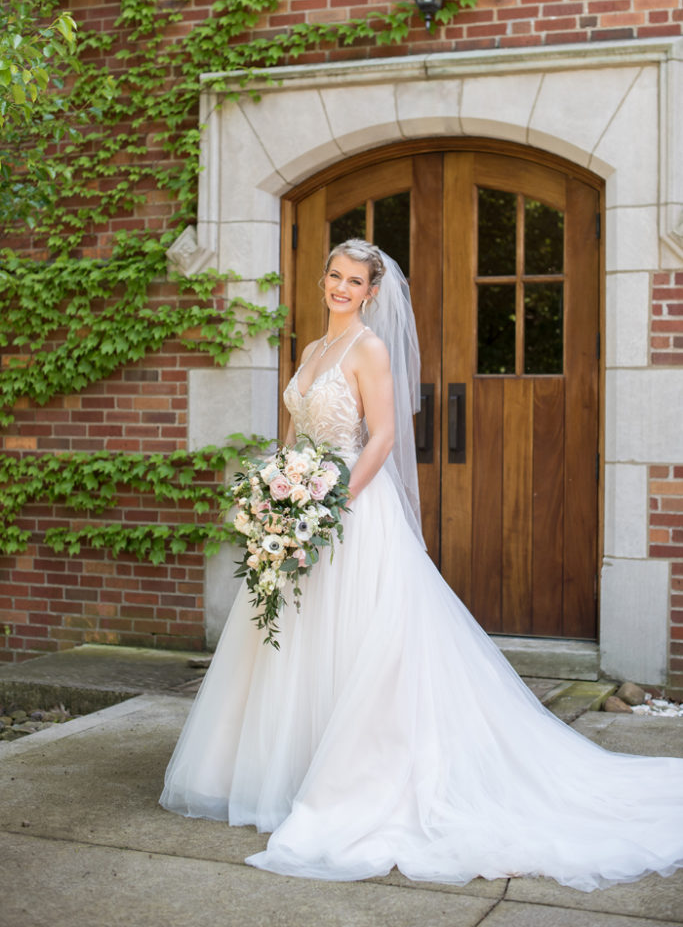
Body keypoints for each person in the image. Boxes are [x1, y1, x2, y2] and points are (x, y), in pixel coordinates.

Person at [160, 239, 683, 891]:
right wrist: (276, 491)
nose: (341, 289)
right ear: (322, 279)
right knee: (291, 636)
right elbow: (294, 433)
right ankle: (290, 768)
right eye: (334, 276)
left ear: (372, 292)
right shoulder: (312, 351)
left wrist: (328, 504)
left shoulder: (369, 350)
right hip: (299, 504)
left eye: (354, 281)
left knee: (361, 639)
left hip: (351, 508)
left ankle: (360, 774)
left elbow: (380, 436)